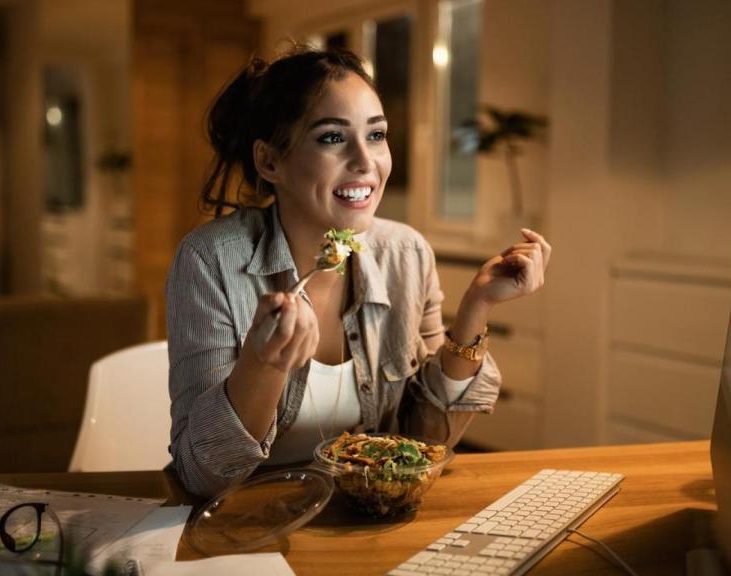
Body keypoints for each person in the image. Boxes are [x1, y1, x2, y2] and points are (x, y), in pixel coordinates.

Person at [166, 46, 551, 497]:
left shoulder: (406, 253)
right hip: (244, 522)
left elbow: (423, 446)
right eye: (332, 137)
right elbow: (201, 476)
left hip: (363, 517)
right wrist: (263, 364)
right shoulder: (209, 260)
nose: (366, 161)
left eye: (376, 135)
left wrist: (476, 308)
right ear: (270, 162)